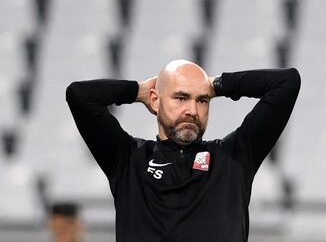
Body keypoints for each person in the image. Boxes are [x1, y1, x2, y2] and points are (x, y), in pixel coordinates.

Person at [66, 59, 301, 242]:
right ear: (155, 101)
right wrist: (137, 91)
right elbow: (80, 96)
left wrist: (217, 85)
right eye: (181, 97)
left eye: (202, 100)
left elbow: (287, 83)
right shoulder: (127, 159)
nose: (192, 110)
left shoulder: (235, 157)